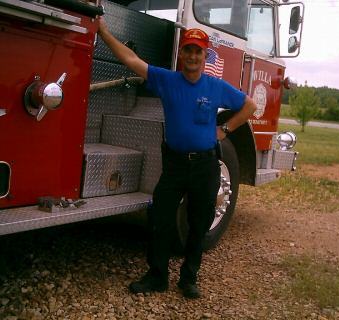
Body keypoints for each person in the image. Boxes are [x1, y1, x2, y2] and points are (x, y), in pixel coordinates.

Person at [97, 18, 256, 299]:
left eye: (198, 52)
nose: (193, 56)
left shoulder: (215, 86)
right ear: (181, 54)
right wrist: (104, 32)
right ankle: (157, 276)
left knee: (199, 222)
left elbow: (250, 105)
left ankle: (189, 278)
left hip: (206, 165)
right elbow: (132, 60)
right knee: (160, 218)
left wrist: (225, 129)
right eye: (188, 50)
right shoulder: (167, 80)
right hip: (174, 164)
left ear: (205, 56)